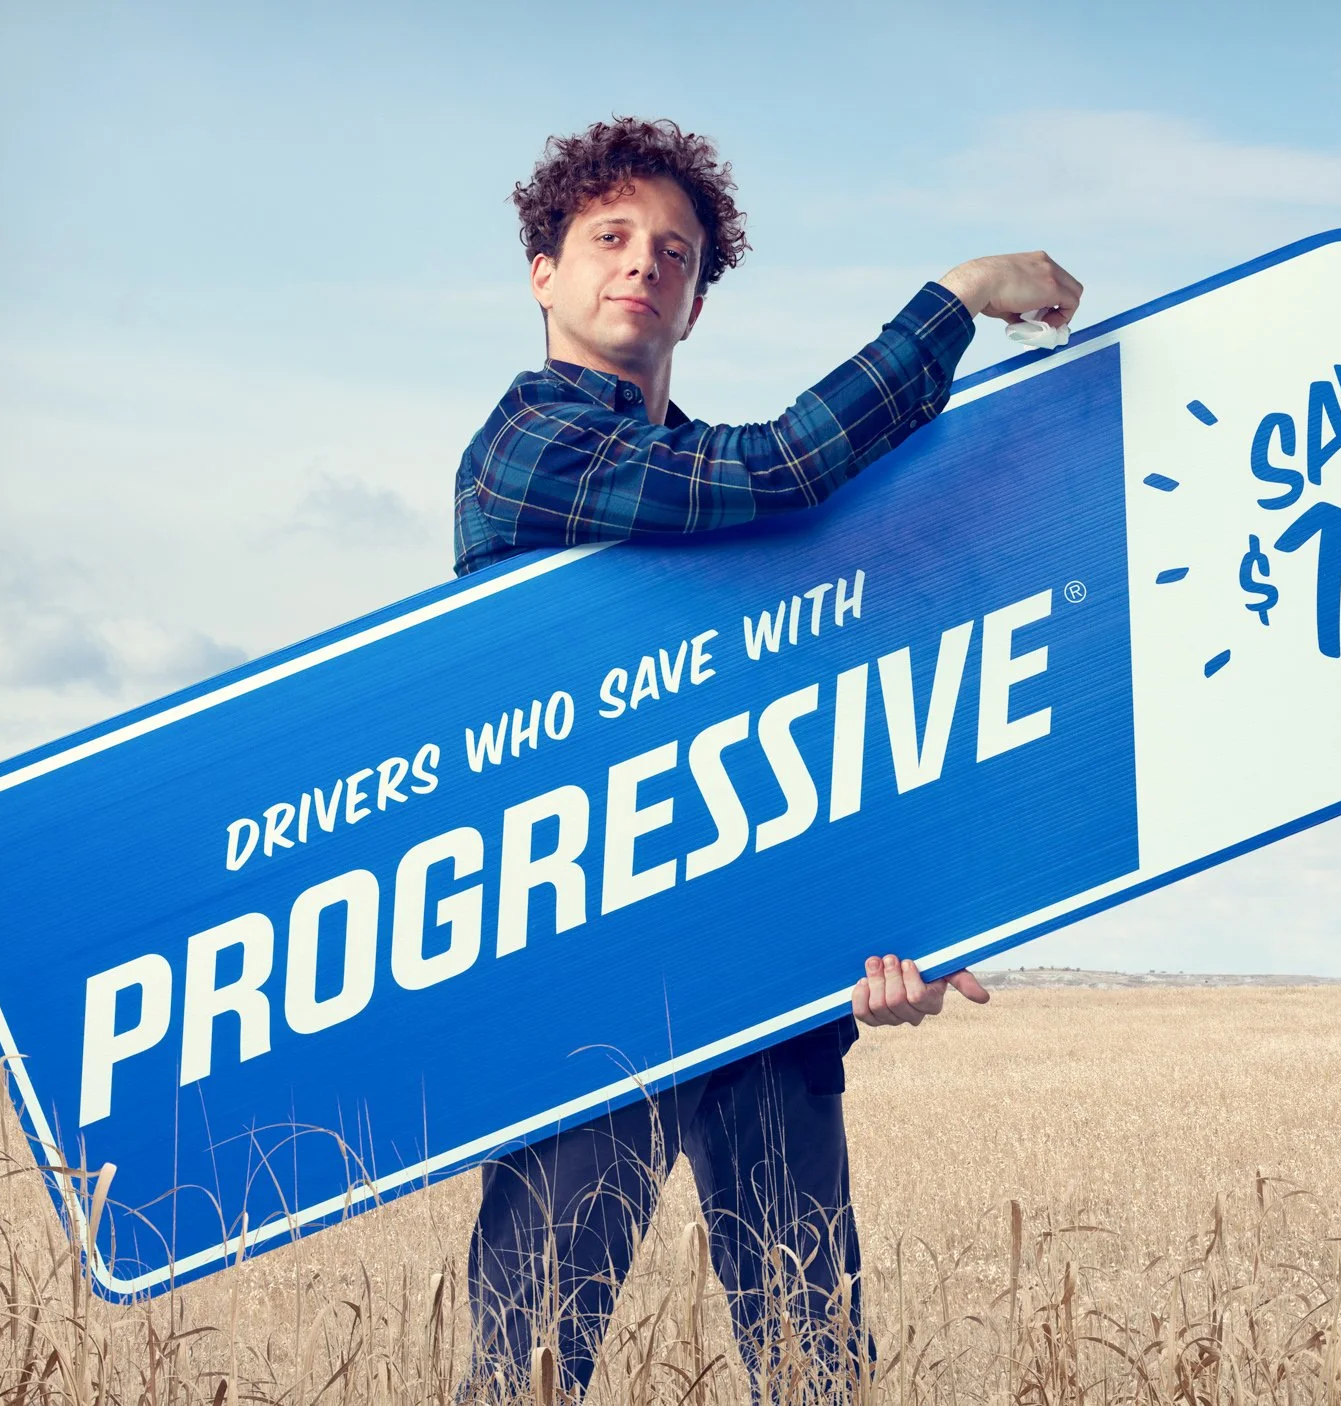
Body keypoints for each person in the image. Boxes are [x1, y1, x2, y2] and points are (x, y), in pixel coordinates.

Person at [451, 116, 1081, 1400]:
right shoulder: (534, 449)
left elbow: (811, 703)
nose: (642, 265)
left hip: (751, 951)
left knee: (812, 1355)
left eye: (673, 252)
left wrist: (893, 928)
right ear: (544, 275)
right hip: (591, 954)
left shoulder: (701, 487)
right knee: (526, 1364)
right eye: (609, 239)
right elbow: (789, 467)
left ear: (696, 295)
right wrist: (957, 298)